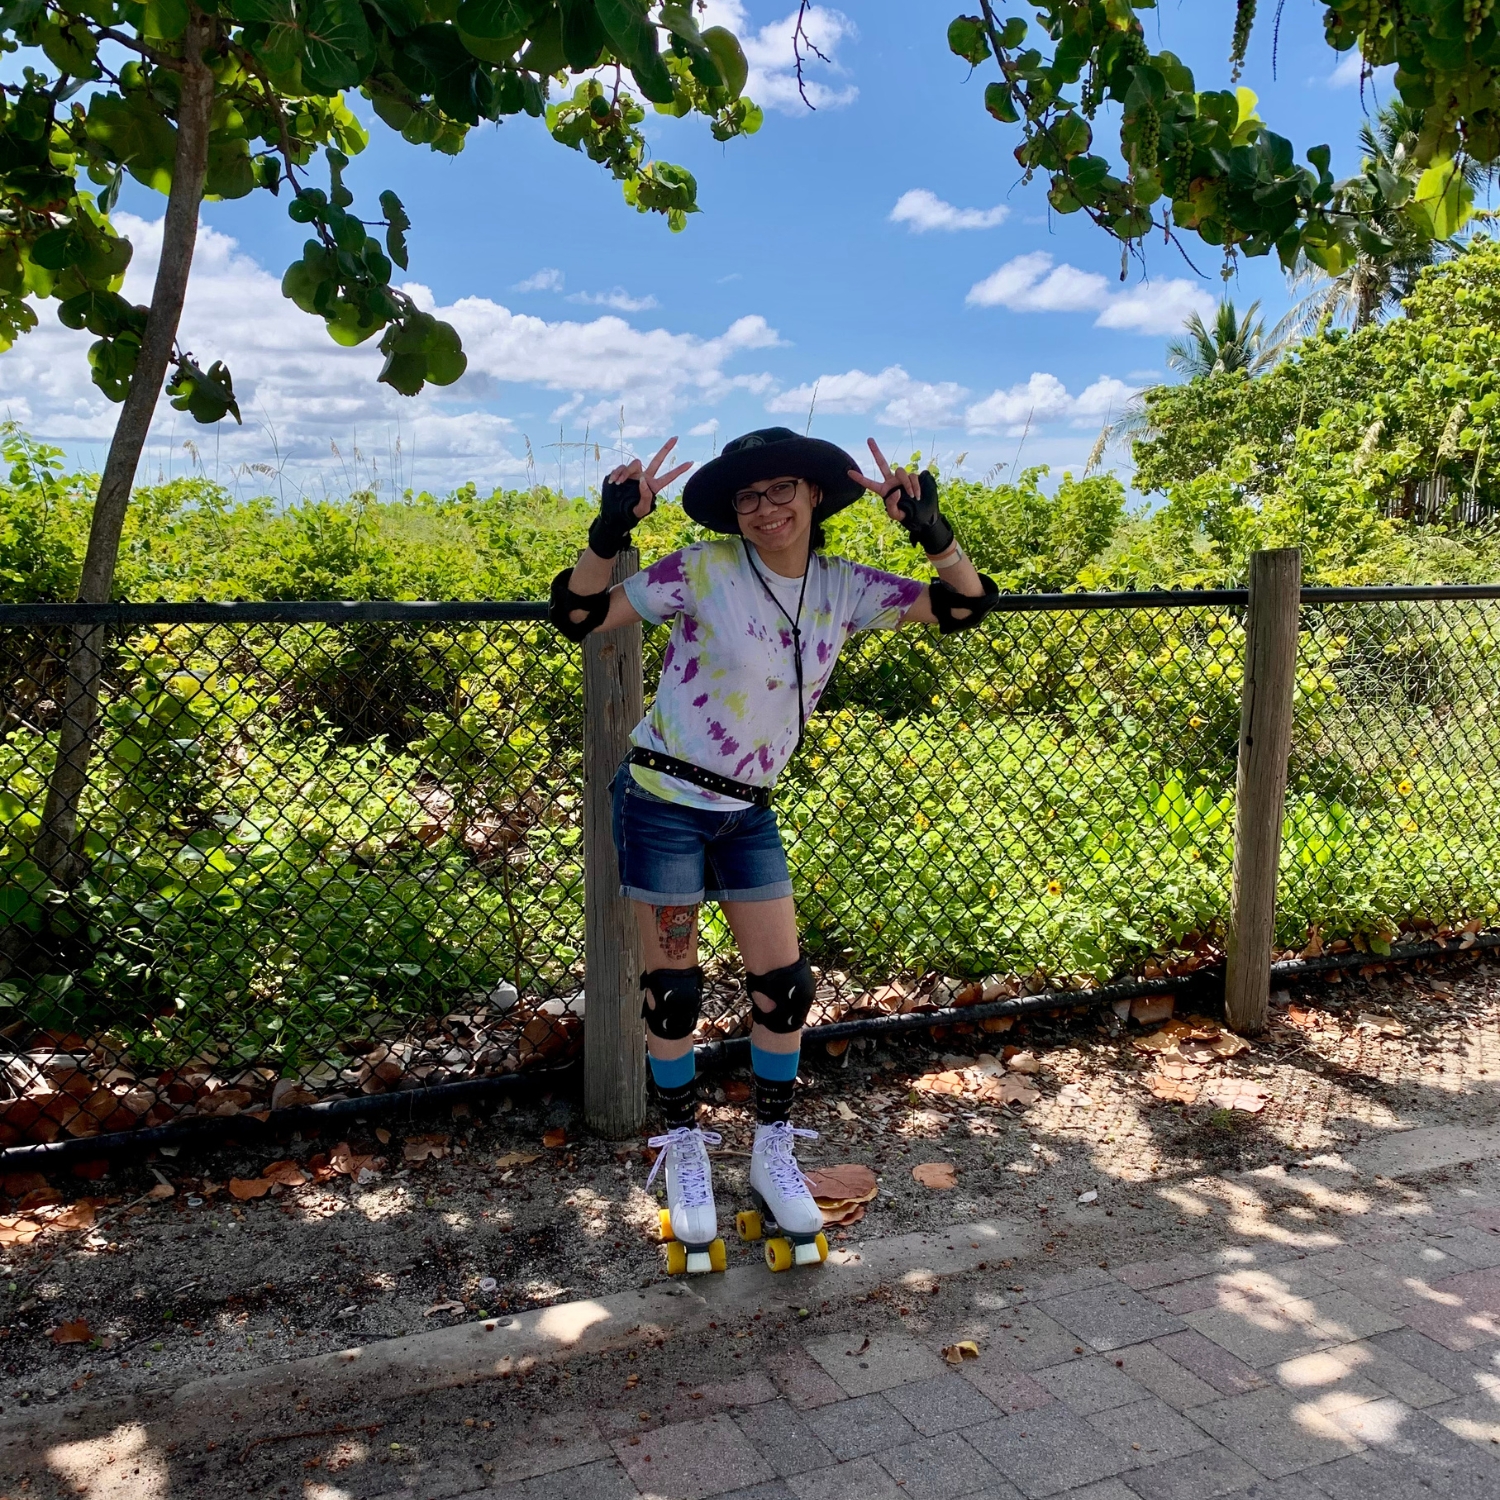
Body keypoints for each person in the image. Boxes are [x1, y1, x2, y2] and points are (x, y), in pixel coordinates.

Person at [549, 426, 997, 1269]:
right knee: (674, 992)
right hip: (663, 797)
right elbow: (579, 614)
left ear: (815, 494)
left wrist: (933, 532)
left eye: (781, 489)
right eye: (748, 498)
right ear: (733, 513)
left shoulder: (841, 587)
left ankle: (770, 1146)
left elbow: (966, 607)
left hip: (747, 807)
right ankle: (683, 1149)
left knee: (785, 988)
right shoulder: (703, 570)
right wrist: (609, 531)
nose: (765, 508)